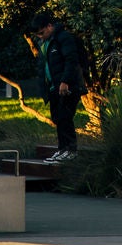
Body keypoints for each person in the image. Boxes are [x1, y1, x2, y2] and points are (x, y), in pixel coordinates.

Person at [33, 14, 86, 157]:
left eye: (42, 33)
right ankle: (62, 149)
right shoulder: (45, 43)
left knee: (65, 117)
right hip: (53, 87)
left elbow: (71, 60)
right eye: (38, 35)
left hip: (68, 86)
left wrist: (65, 81)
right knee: (58, 118)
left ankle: (71, 150)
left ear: (50, 26)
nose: (40, 37)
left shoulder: (63, 38)